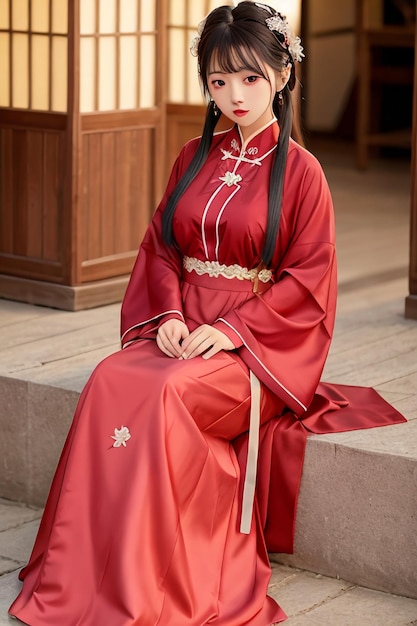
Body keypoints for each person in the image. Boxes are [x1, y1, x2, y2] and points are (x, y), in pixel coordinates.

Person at [9, 2, 406, 625]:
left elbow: (308, 282)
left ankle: (157, 583)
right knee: (111, 379)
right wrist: (166, 314)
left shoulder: (303, 174)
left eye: (249, 77)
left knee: (168, 397)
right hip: (180, 328)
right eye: (218, 81)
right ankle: (84, 569)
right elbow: (162, 244)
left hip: (255, 347)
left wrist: (229, 331)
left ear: (282, 76)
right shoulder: (193, 155)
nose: (234, 94)